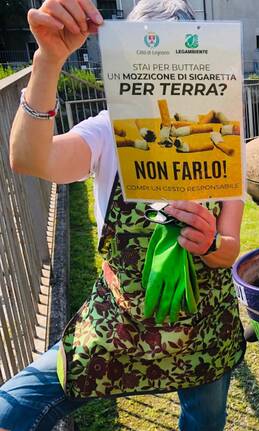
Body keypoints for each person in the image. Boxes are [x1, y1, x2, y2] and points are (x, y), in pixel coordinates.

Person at [1, 1, 245, 430]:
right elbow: (30, 158)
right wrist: (49, 60)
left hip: (204, 330)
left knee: (204, 422)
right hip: (120, 326)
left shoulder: (223, 141)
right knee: (13, 406)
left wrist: (209, 244)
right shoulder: (107, 132)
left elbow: (229, 249)